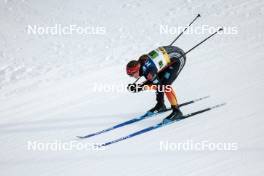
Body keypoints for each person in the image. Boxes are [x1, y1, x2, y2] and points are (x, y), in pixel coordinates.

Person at [126, 45, 186, 121]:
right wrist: (139, 87)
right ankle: (160, 105)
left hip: (178, 58)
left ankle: (177, 111)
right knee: (159, 81)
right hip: (169, 55)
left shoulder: (149, 71)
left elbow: (158, 86)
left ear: (138, 70)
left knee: (165, 86)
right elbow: (152, 81)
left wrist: (140, 88)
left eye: (132, 74)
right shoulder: (142, 66)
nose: (132, 76)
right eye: (130, 75)